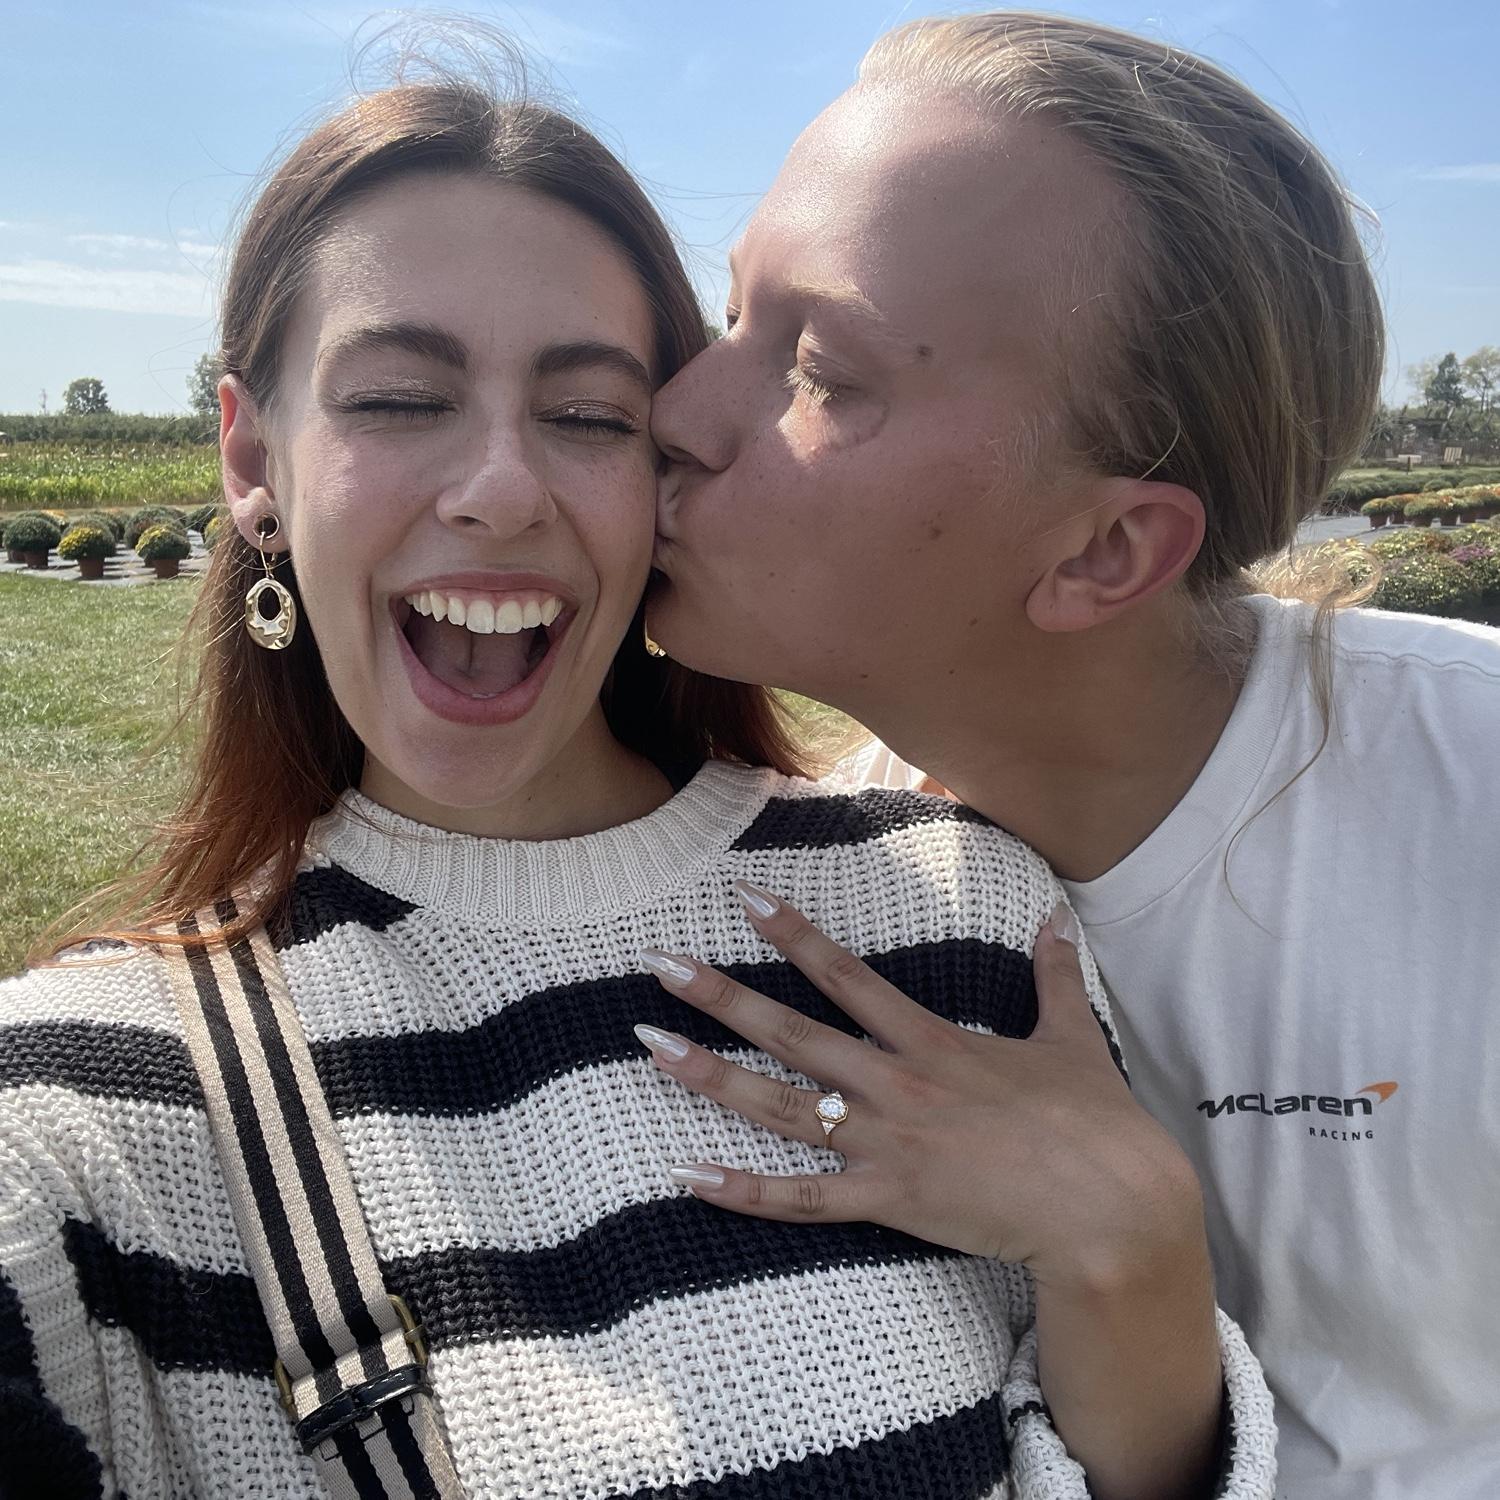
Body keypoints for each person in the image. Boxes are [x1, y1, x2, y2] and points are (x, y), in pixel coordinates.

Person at [0, 59, 1277, 1500]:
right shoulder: (89, 1093)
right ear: (252, 459)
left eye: (592, 415)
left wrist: (1137, 1251)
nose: (500, 487)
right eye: (403, 398)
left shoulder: (956, 911)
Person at [648, 10, 1500, 1498]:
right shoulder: (813, 915)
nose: (674, 414)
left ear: (1107, 550)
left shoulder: (1474, 792)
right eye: (733, 316)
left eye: (822, 371)